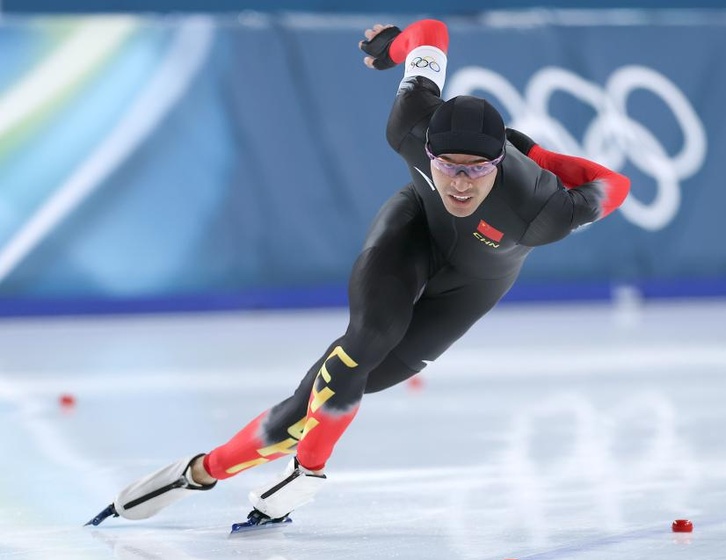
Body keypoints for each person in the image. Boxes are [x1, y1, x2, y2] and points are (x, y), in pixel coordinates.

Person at [86, 18, 631, 528]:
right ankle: (305, 470)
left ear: (496, 167)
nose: (460, 184)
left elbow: (616, 184)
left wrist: (531, 154)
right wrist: (391, 47)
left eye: (477, 171)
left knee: (325, 398)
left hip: (471, 286)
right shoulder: (410, 125)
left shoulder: (542, 211)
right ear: (427, 152)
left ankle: (202, 470)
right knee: (362, 343)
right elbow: (430, 32)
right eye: (446, 167)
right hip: (414, 229)